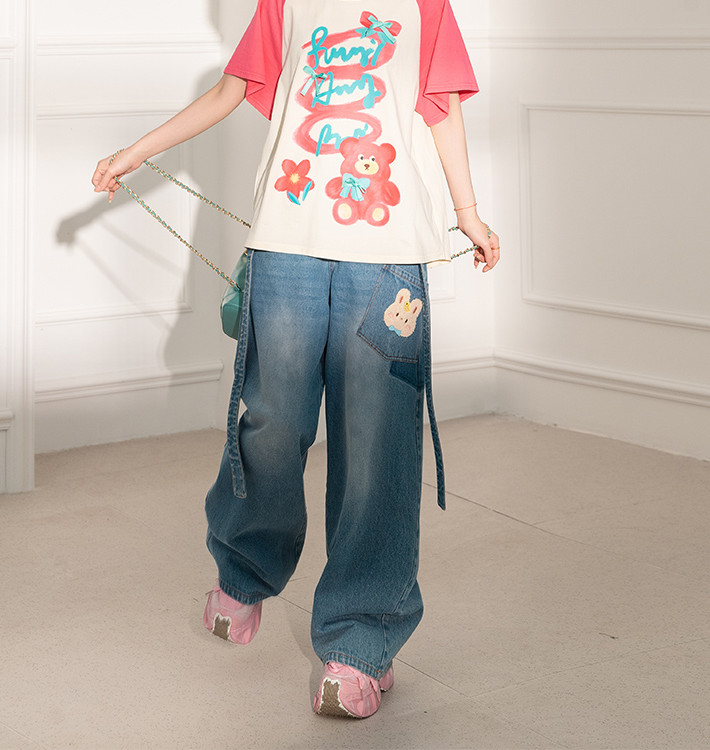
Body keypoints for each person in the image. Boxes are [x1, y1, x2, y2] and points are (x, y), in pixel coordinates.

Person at [93, 0, 500, 720]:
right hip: (285, 248)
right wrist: (135, 153)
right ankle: (245, 570)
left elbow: (443, 109)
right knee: (272, 422)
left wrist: (467, 213)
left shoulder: (425, 6)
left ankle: (361, 639)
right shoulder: (281, 3)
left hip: (387, 258)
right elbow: (229, 91)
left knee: (375, 446)